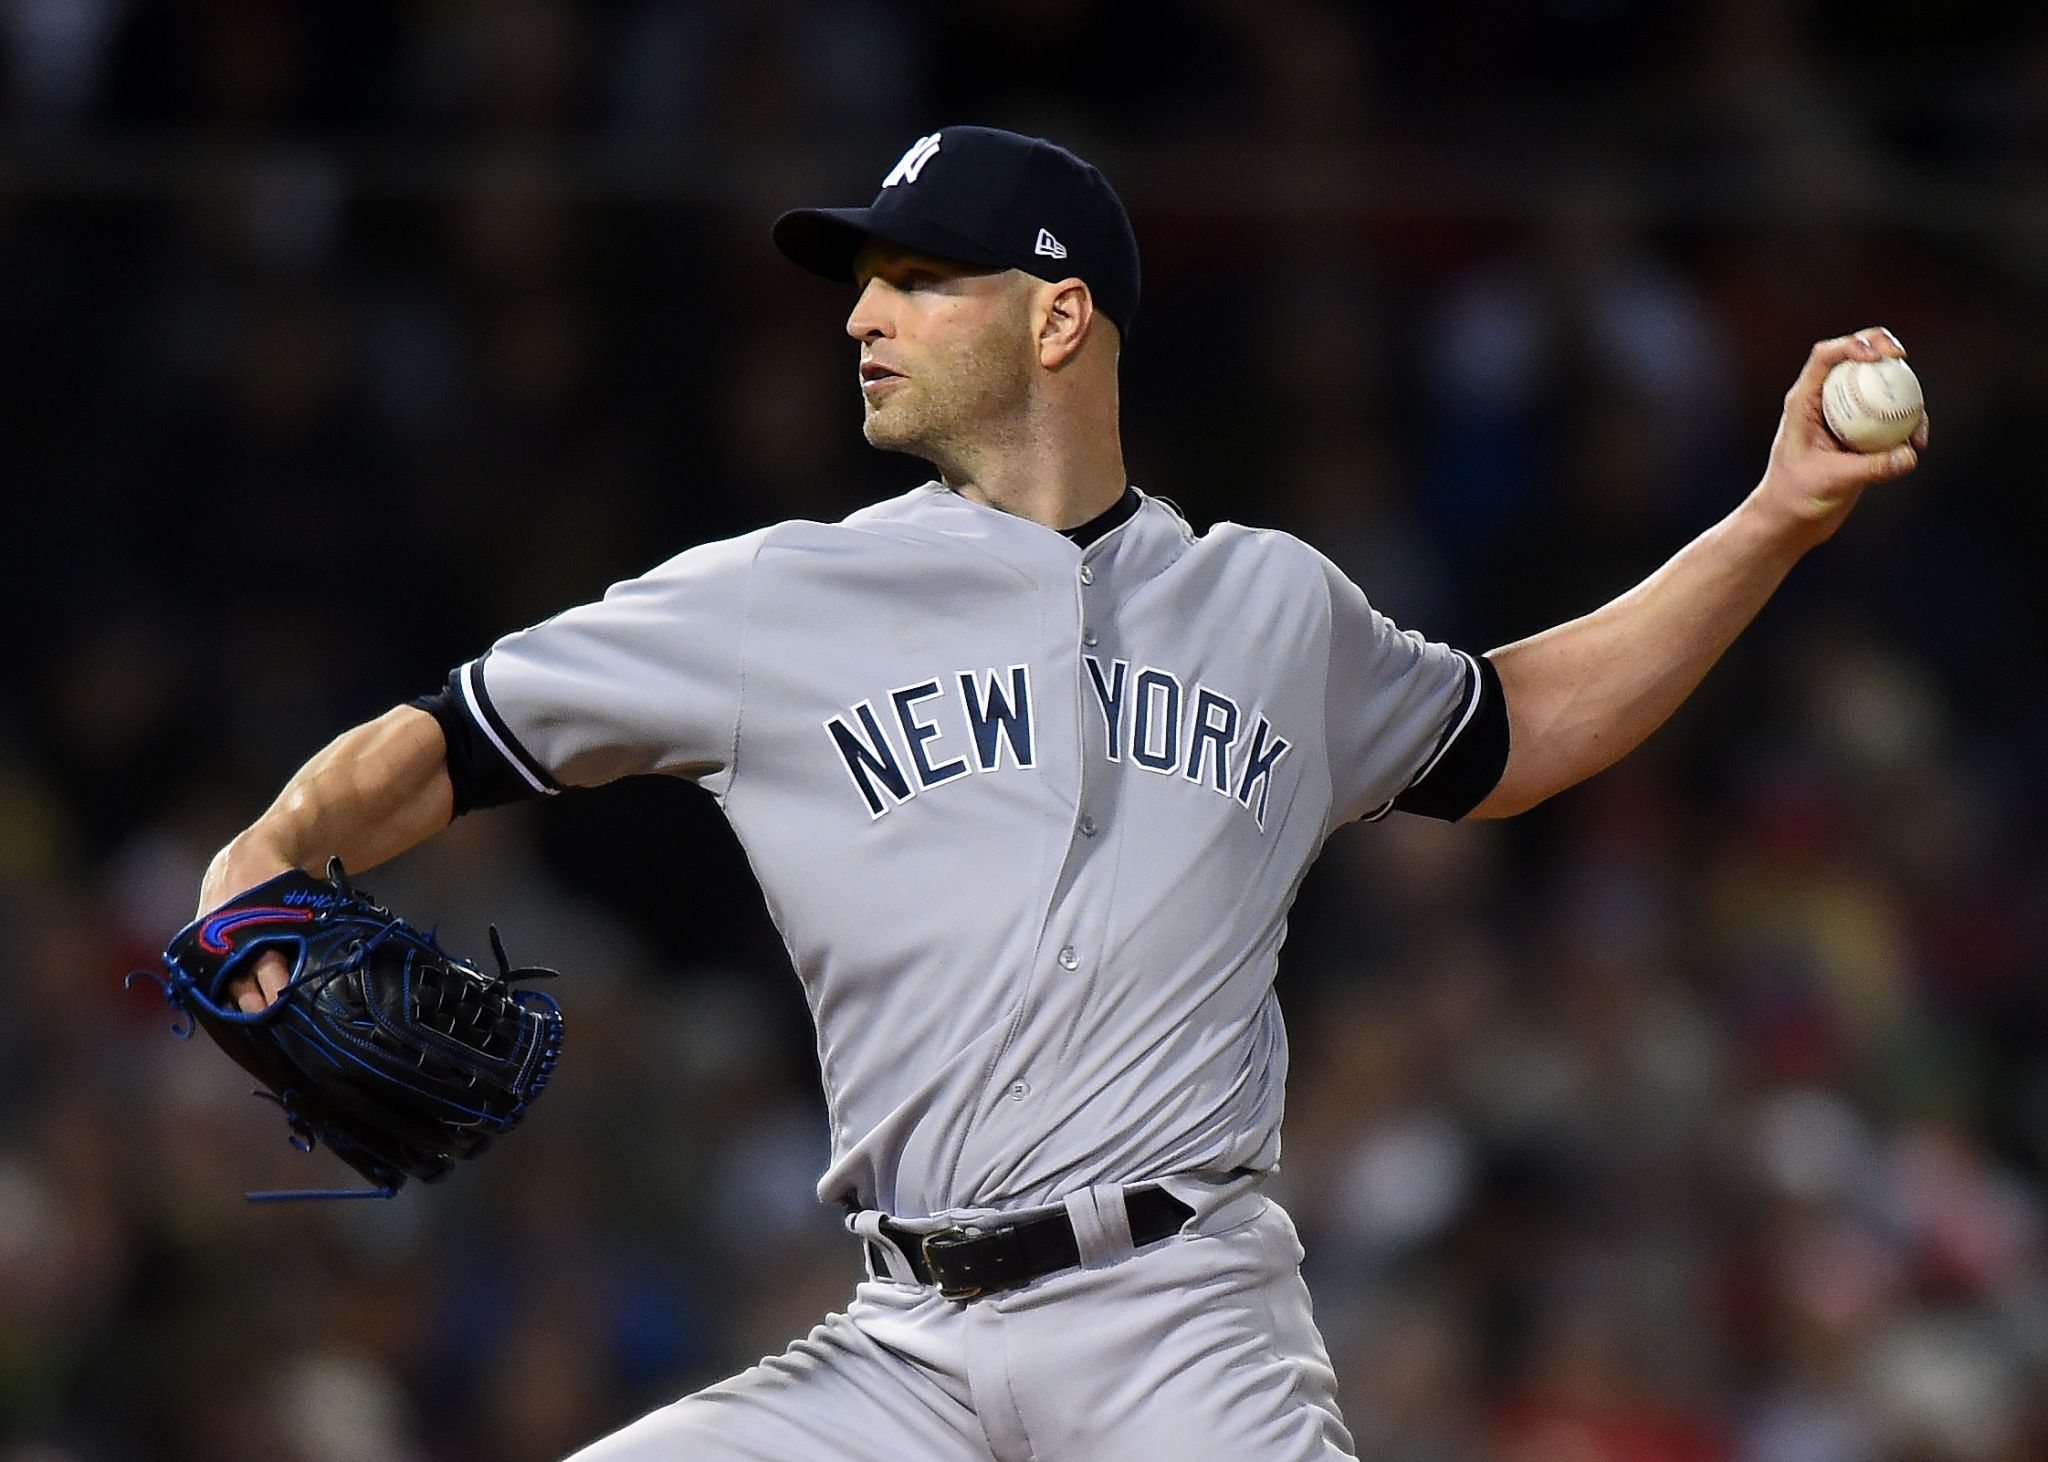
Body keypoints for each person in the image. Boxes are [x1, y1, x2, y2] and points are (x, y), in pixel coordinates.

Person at [197, 125, 1927, 1460]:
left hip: (1190, 1321)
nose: (861, 313)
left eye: (914, 278)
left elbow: (1523, 725)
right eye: (859, 281)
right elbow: (454, 732)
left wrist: (1773, 512)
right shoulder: (770, 600)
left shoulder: (1276, 607)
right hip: (898, 1342)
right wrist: (268, 854)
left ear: (1057, 313)